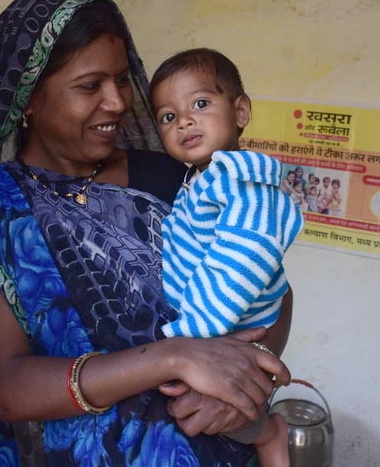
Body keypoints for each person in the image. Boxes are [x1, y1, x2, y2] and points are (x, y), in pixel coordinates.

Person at [0, 0, 292, 466]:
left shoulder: (176, 177)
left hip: (208, 446)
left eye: (120, 80)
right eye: (90, 86)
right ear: (28, 97)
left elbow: (274, 290)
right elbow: (9, 389)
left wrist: (239, 377)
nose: (116, 102)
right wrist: (176, 357)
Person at [149, 48, 304, 466]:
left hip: (227, 321)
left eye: (200, 104)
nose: (184, 121)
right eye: (168, 116)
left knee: (198, 400)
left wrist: (188, 338)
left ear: (240, 111)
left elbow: (234, 268)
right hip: (209, 323)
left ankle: (269, 435)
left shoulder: (247, 188)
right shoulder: (200, 180)